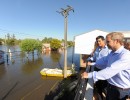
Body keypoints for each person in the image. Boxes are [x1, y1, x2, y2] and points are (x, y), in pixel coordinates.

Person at [82, 32, 130, 100]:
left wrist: (89, 75)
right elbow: (104, 60)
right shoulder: (112, 53)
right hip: (111, 86)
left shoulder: (125, 55)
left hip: (121, 91)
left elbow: (111, 70)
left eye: (108, 42)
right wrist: (93, 64)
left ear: (116, 41)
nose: (106, 44)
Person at [86, 35, 110, 99]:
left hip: (104, 70)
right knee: (98, 86)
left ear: (103, 40)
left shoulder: (108, 50)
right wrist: (89, 59)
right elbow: (94, 58)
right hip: (96, 69)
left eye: (99, 41)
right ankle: (100, 97)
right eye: (97, 41)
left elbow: (105, 62)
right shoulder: (97, 49)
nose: (98, 42)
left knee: (104, 87)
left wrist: (92, 64)